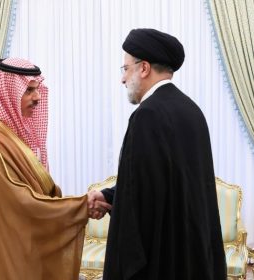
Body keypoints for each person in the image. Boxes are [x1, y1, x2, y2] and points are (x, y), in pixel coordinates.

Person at [88, 28, 227, 279]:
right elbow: (157, 181)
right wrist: (109, 195)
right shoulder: (191, 110)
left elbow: (142, 197)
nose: (122, 79)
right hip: (191, 249)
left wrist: (110, 203)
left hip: (162, 257)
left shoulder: (147, 115)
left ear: (144, 68)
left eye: (125, 69)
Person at [0, 58, 99, 280]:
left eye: (37, 89)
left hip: (28, 236)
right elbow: (21, 201)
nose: (37, 97)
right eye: (29, 90)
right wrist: (79, 206)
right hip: (9, 244)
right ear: (9, 92)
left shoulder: (14, 133)